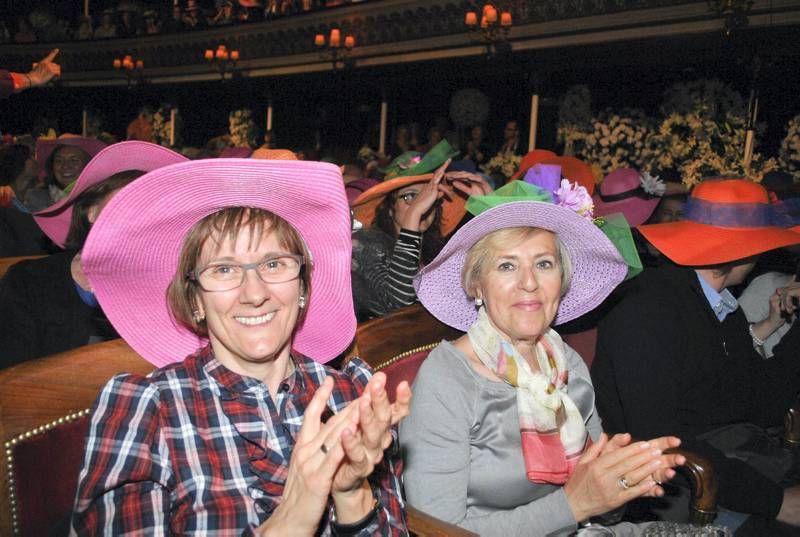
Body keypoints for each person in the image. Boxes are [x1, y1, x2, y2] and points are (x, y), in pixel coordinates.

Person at [71, 158, 409, 534]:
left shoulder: (352, 396)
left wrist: (351, 495)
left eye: (275, 264)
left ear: (302, 287)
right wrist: (292, 517)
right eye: (224, 270)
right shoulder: (149, 408)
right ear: (196, 299)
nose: (254, 293)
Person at [401, 180, 685, 536]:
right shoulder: (447, 380)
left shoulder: (563, 360)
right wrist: (575, 504)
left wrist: (622, 481)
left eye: (544, 263)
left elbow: (598, 500)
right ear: (476, 285)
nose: (530, 283)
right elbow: (437, 531)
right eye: (506, 266)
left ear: (562, 280)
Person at [592, 179, 800, 527]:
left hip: (727, 469)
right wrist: (777, 502)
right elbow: (660, 441)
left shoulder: (722, 308)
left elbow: (761, 403)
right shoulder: (649, 309)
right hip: (669, 492)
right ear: (744, 250)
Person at [0, 141, 187, 368]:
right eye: (126, 200)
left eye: (150, 206)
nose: (139, 213)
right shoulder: (28, 281)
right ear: (91, 211)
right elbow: (12, 382)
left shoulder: (173, 290)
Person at [350, 140, 490, 319]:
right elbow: (398, 309)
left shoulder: (439, 250)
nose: (422, 204)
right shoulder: (366, 243)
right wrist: (413, 216)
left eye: (427, 196)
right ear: (390, 209)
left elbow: (481, 288)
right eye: (410, 196)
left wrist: (485, 212)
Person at [27, 137, 107, 211]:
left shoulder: (101, 198)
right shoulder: (37, 199)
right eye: (59, 161)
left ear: (88, 165)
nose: (65, 166)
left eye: (74, 160)